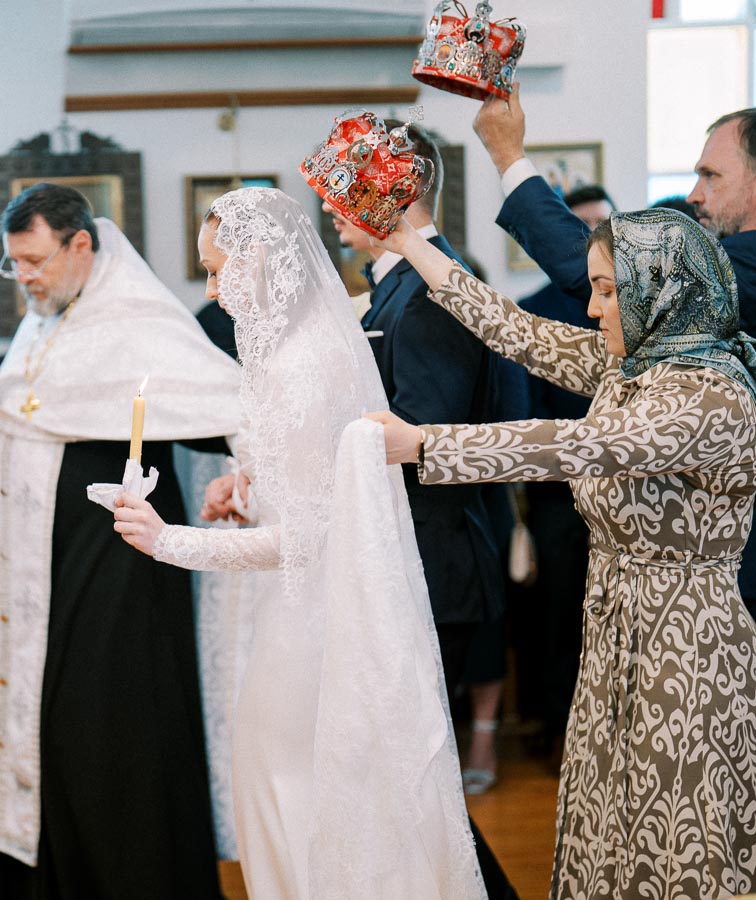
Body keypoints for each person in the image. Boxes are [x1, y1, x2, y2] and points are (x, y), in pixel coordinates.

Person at [369, 207, 756, 899]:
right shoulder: (633, 367)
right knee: (611, 831)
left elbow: (574, 445)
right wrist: (409, 241)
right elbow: (514, 330)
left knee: (681, 847)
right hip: (618, 639)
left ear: (665, 286)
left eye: (609, 290)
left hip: (692, 657)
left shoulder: (712, 395)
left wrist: (424, 444)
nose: (592, 308)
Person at [111, 187, 484, 899]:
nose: (213, 291)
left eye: (220, 272)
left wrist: (171, 542)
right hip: (306, 610)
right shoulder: (300, 347)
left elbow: (307, 539)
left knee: (295, 788)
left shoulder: (299, 368)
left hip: (315, 619)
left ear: (260, 263)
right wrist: (245, 488)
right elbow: (312, 484)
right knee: (295, 786)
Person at [476, 92, 756, 877]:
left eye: (709, 175)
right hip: (668, 601)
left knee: (708, 829)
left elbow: (609, 266)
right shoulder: (659, 348)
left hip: (734, 585)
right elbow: (535, 334)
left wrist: (511, 157)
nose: (693, 194)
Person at [0, 183, 240, 899]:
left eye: (36, 261)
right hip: (37, 577)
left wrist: (246, 477)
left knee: (109, 741)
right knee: (48, 736)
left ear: (81, 245)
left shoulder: (143, 321)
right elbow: (28, 423)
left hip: (118, 576)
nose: (26, 280)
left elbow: (233, 409)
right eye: (14, 266)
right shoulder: (42, 323)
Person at [318, 121, 514, 897]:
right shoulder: (398, 283)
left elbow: (420, 440)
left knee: (416, 784)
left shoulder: (433, 291)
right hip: (411, 558)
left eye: (344, 189)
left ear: (390, 194)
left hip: (432, 563)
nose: (331, 205)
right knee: (407, 789)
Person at [503, 184, 614, 779]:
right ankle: (551, 724)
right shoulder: (539, 304)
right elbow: (527, 406)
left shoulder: (641, 312)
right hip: (557, 491)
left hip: (625, 484)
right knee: (555, 612)